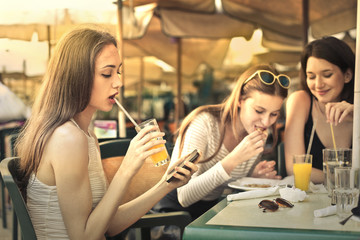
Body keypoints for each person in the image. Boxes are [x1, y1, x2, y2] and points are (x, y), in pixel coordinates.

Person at [14, 26, 198, 240]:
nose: (119, 82)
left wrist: (166, 184)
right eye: (106, 73)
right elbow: (84, 237)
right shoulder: (67, 139)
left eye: (118, 71)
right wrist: (127, 168)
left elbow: (106, 225)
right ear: (76, 77)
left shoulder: (86, 135)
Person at [152, 64, 290, 237]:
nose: (266, 122)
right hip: (172, 218)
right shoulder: (204, 124)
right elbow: (184, 196)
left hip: (209, 215)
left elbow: (224, 189)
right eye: (259, 111)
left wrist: (251, 177)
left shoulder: (255, 132)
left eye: (274, 114)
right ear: (240, 99)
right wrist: (233, 160)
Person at [284, 36, 354, 184]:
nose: (318, 84)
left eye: (327, 75)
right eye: (311, 76)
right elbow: (294, 168)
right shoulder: (301, 101)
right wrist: (346, 181)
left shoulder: (357, 110)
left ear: (347, 75)